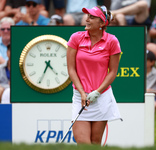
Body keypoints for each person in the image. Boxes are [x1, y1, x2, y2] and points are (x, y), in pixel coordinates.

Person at [67, 5, 122, 144]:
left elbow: (113, 72)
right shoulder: (76, 38)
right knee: (83, 143)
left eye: (92, 17)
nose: (87, 19)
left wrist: (97, 92)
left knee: (95, 143)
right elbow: (71, 69)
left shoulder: (112, 41)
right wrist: (82, 92)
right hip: (80, 96)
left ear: (102, 23)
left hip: (101, 97)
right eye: (87, 16)